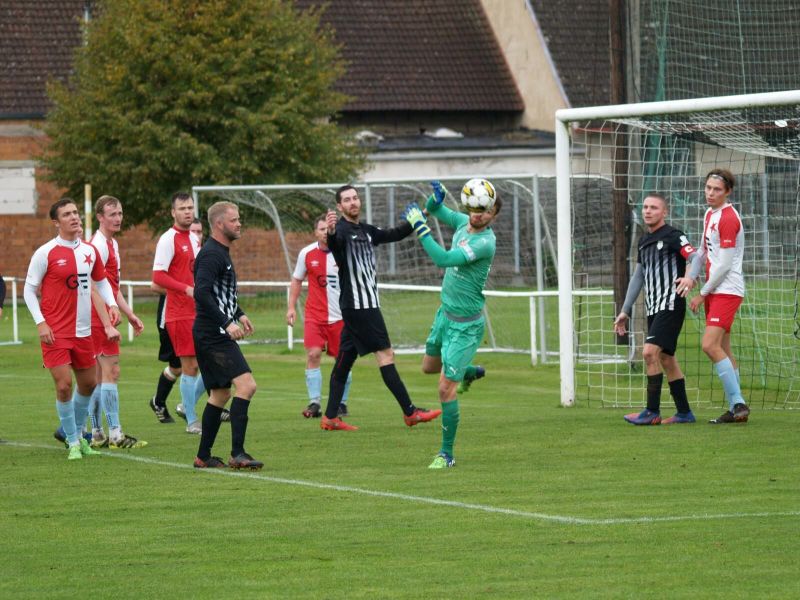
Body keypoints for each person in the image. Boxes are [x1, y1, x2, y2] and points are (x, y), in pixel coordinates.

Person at [319, 184, 441, 431]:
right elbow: (334, 243)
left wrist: (424, 212)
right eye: (347, 200)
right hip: (361, 307)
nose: (353, 202)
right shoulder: (341, 231)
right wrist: (330, 231)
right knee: (386, 355)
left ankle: (330, 417)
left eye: (355, 198)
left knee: (344, 363)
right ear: (340, 206)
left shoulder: (366, 230)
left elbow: (396, 233)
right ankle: (410, 412)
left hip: (359, 307)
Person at [401, 180, 500, 468]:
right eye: (475, 209)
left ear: (492, 214)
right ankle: (467, 372)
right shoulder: (462, 222)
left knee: (444, 388)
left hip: (467, 327)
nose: (478, 215)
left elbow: (443, 259)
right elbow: (437, 210)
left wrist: (421, 228)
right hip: (445, 315)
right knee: (429, 368)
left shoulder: (485, 242)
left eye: (484, 211)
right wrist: (435, 199)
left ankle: (446, 454)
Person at [24, 197, 119, 460]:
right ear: (56, 222)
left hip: (84, 331)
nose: (74, 217)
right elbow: (29, 291)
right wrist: (40, 322)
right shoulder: (45, 253)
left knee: (88, 384)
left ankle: (76, 435)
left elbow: (101, 282)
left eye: (76, 212)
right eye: (67, 214)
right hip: (55, 331)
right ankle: (74, 441)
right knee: (64, 385)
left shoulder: (89, 251)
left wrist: (111, 305)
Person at [613, 192, 700, 426]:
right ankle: (684, 413)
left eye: (653, 207)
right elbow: (638, 276)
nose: (648, 211)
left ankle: (652, 411)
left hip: (670, 304)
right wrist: (625, 310)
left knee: (649, 353)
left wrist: (690, 278)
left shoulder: (673, 236)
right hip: (654, 307)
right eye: (645, 207)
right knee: (666, 359)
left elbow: (696, 257)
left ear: (664, 212)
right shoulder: (644, 241)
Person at [192, 201, 262, 469]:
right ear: (219, 224)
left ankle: (203, 456)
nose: (239, 223)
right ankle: (238, 453)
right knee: (247, 386)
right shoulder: (211, 254)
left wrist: (239, 313)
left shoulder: (219, 251)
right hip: (213, 333)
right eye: (234, 220)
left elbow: (220, 293)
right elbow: (201, 292)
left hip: (211, 331)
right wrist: (225, 322)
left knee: (220, 395)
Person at [683, 169, 750, 424]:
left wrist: (701, 293)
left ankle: (738, 404)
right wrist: (691, 275)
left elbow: (723, 265)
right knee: (723, 347)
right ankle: (737, 408)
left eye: (717, 190)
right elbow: (701, 252)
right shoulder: (710, 214)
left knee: (709, 345)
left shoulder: (729, 218)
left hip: (727, 289)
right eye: (708, 188)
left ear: (728, 192)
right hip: (716, 288)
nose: (710, 193)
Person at [81, 195, 147, 448]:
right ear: (100, 217)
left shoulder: (112, 244)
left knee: (99, 376)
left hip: (101, 316)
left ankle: (97, 432)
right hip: (97, 318)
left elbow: (111, 285)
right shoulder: (97, 245)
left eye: (120, 213)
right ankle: (116, 434)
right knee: (112, 372)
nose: (118, 218)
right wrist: (107, 317)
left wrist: (129, 313)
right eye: (112, 214)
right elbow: (93, 288)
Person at [149, 219, 216, 423]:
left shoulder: (196, 246)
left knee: (204, 363)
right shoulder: (169, 241)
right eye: (193, 230)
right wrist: (184, 290)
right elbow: (156, 282)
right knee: (182, 367)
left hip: (197, 313)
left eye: (199, 231)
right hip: (173, 316)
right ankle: (169, 404)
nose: (195, 233)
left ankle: (181, 405)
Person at [286, 214, 352, 419]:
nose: (325, 232)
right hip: (314, 316)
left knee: (342, 360)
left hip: (340, 317)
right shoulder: (306, 253)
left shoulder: (344, 251)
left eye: (328, 228)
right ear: (315, 232)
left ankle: (341, 402)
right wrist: (291, 308)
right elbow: (296, 280)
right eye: (321, 229)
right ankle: (314, 402)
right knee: (313, 354)